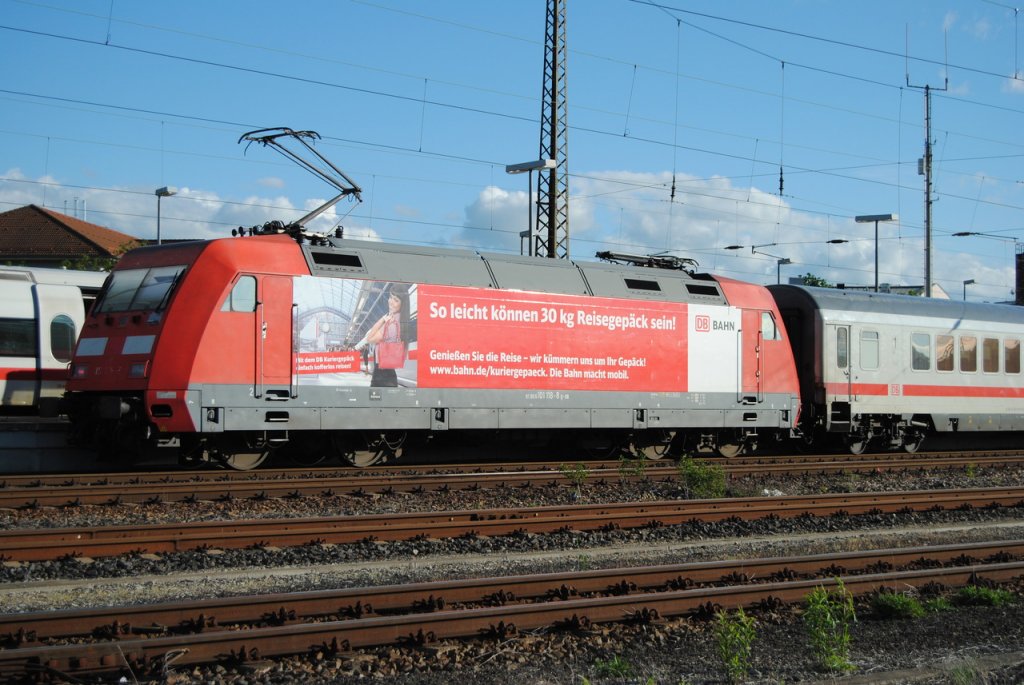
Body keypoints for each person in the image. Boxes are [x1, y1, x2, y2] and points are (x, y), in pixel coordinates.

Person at [356, 284, 410, 387]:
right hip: (387, 375)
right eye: (390, 297)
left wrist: (382, 319)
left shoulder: (391, 325)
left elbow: (369, 338)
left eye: (396, 300)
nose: (391, 302)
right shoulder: (399, 321)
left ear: (402, 305)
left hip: (382, 376)